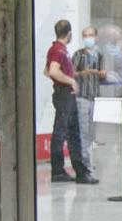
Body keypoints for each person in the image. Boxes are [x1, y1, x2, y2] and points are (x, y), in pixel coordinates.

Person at [44, 19, 96, 184]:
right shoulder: (58, 51)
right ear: (70, 34)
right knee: (65, 133)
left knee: (70, 132)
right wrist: (70, 81)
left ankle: (75, 170)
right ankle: (63, 171)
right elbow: (52, 71)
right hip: (65, 95)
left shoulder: (57, 50)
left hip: (65, 94)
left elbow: (47, 71)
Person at [71, 25, 106, 169]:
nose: (88, 38)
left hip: (95, 96)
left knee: (91, 132)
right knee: (83, 130)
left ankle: (88, 161)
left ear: (96, 38)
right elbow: (71, 73)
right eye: (85, 35)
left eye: (91, 35)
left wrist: (102, 74)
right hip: (82, 96)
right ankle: (85, 163)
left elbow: (103, 75)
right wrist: (82, 73)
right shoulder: (79, 54)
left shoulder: (99, 55)